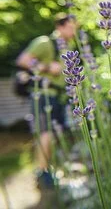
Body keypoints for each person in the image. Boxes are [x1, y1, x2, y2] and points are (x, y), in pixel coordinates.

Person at [16, 13, 76, 188]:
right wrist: (48, 67)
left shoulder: (68, 46)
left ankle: (49, 169)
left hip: (58, 95)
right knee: (46, 133)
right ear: (60, 26)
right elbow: (23, 60)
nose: (74, 31)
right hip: (43, 93)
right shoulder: (44, 42)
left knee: (55, 134)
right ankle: (41, 173)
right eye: (71, 27)